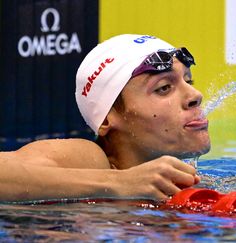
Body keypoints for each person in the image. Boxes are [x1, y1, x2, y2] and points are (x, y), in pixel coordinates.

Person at [0, 34, 210, 202]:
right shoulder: (91, 160)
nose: (195, 95)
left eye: (189, 81)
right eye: (164, 88)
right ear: (108, 119)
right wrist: (121, 183)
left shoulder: (196, 180)